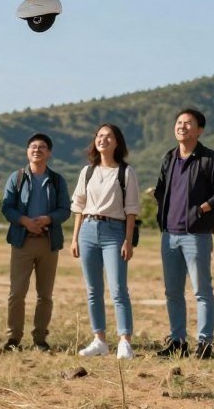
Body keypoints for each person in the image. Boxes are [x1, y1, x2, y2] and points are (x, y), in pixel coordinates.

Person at [153, 108, 214, 359]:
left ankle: (205, 343)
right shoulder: (169, 158)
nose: (182, 127)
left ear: (200, 130)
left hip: (196, 235)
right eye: (179, 122)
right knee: (172, 292)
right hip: (169, 235)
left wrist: (202, 209)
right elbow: (160, 190)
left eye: (188, 123)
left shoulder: (209, 158)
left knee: (202, 291)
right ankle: (177, 341)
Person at [70, 124, 140, 359]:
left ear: (117, 142)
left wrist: (128, 240)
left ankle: (124, 341)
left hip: (114, 231)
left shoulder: (126, 172)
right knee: (93, 290)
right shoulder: (87, 171)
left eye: (109, 136)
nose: (103, 139)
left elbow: (131, 210)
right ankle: (99, 339)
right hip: (87, 229)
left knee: (118, 289)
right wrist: (75, 238)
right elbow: (78, 205)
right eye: (100, 136)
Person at [0, 133, 71, 352]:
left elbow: (65, 210)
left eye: (42, 147)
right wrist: (24, 221)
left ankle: (40, 339)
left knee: (45, 295)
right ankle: (14, 338)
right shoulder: (17, 177)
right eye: (33, 146)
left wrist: (49, 219)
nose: (37, 150)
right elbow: (7, 207)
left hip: (48, 242)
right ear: (27, 151)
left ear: (49, 153)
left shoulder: (57, 180)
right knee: (17, 292)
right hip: (23, 241)